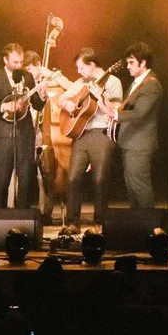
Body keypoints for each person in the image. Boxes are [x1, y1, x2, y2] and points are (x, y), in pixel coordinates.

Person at [60, 48, 122, 230]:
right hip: (81, 135)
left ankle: (100, 222)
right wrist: (69, 104)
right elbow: (62, 98)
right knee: (72, 178)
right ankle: (73, 222)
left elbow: (117, 108)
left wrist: (100, 96)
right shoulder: (81, 82)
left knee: (100, 179)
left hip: (101, 133)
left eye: (81, 67)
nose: (78, 72)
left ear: (92, 65)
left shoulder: (112, 81)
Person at [0, 43, 42, 209]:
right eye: (15, 62)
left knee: (26, 178)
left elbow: (38, 105)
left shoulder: (27, 76)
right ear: (5, 60)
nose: (18, 65)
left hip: (25, 132)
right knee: (2, 178)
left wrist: (42, 95)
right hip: (4, 132)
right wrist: (4, 107)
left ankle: (23, 218)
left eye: (21, 62)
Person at [114, 42, 163, 209]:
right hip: (130, 143)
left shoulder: (151, 84)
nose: (128, 67)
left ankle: (150, 226)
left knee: (139, 186)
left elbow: (140, 113)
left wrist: (114, 114)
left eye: (131, 62)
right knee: (132, 187)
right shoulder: (138, 83)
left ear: (143, 63)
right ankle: (138, 225)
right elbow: (128, 108)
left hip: (140, 144)